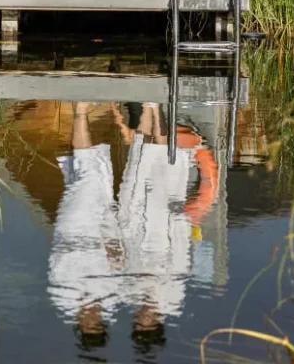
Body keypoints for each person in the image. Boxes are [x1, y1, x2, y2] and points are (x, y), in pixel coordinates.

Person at [47, 101, 218, 354]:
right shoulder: (169, 298)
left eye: (139, 323)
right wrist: (179, 222)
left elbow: (69, 259)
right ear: (158, 323)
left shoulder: (74, 298)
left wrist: (110, 243)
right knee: (154, 166)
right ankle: (152, 107)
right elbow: (180, 256)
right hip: (155, 230)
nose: (142, 318)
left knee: (101, 174)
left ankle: (84, 109)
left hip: (113, 228)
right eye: (146, 323)